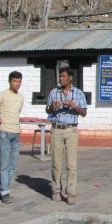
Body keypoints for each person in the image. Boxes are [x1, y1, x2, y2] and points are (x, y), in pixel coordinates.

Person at [45, 67, 87, 205]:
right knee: (56, 163)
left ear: (70, 78)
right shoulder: (54, 92)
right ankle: (56, 190)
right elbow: (47, 109)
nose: (61, 79)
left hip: (71, 130)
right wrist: (53, 106)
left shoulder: (79, 93)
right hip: (56, 129)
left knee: (71, 164)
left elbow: (84, 112)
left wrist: (74, 106)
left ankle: (71, 192)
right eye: (60, 76)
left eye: (63, 76)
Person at [0, 71, 24, 204]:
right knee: (4, 163)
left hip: (15, 133)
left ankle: (4, 187)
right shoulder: (2, 95)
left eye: (19, 81)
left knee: (13, 164)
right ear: (10, 81)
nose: (17, 84)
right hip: (4, 133)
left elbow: (16, 114)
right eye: (15, 81)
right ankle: (4, 191)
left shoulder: (21, 97)